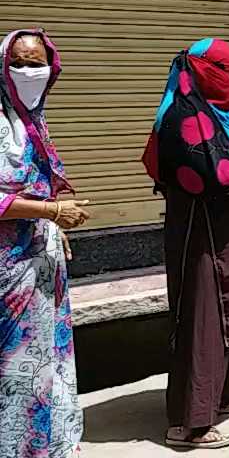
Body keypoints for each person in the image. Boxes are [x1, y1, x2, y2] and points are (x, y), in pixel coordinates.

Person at [142, 38, 229, 449]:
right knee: (203, 317)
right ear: (201, 71)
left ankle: (221, 397)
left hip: (228, 233)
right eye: (226, 72)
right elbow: (213, 173)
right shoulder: (182, 117)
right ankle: (189, 423)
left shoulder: (216, 116)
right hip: (201, 235)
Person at [1, 29, 90, 458]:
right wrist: (51, 213)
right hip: (7, 268)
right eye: (18, 62)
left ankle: (46, 444)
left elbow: (40, 183)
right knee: (13, 365)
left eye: (37, 63)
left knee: (44, 360)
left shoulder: (33, 120)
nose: (28, 71)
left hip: (40, 261)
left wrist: (56, 228)